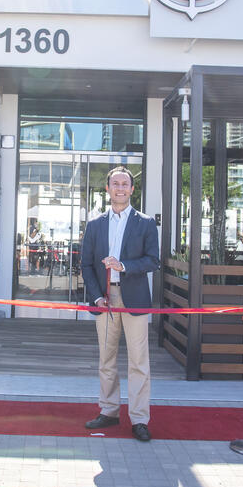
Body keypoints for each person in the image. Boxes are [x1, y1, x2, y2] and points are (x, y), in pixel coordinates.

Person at [80, 166, 161, 442]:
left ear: (132, 189)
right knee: (107, 359)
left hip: (134, 298)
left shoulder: (146, 223)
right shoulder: (95, 225)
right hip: (105, 298)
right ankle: (109, 411)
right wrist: (96, 295)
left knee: (139, 362)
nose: (120, 188)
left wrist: (124, 266)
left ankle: (139, 419)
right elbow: (86, 265)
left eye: (125, 184)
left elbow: (153, 260)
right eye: (115, 183)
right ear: (107, 189)